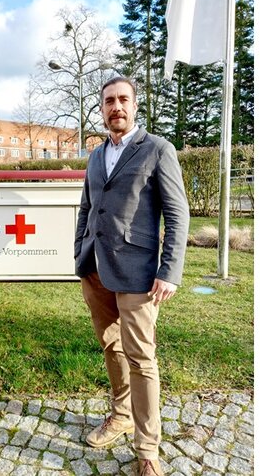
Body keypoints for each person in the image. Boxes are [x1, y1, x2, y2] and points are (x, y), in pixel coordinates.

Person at [73, 76, 189, 476]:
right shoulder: (95, 155)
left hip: (139, 273)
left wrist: (169, 270)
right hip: (95, 269)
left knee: (141, 358)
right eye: (109, 101)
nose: (116, 106)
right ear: (101, 108)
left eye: (123, 99)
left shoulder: (157, 149)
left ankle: (147, 449)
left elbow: (177, 214)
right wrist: (79, 252)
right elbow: (87, 207)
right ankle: (121, 415)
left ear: (135, 105)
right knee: (111, 346)